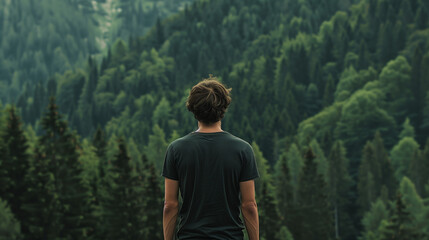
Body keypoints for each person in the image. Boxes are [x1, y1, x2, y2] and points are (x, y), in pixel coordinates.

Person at [162, 76, 260, 240]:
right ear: (224, 107)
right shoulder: (243, 149)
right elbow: (249, 205)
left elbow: (170, 205)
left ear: (193, 108)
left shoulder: (176, 149)